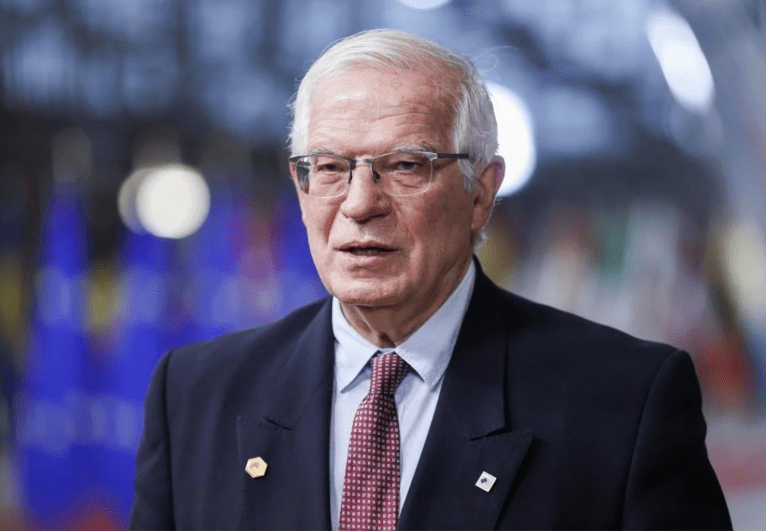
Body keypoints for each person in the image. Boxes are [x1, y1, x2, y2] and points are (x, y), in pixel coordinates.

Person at [129, 29, 731, 530]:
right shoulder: (196, 396)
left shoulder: (625, 403)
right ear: (302, 187)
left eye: (405, 166)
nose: (360, 203)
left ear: (481, 193)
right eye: (331, 167)